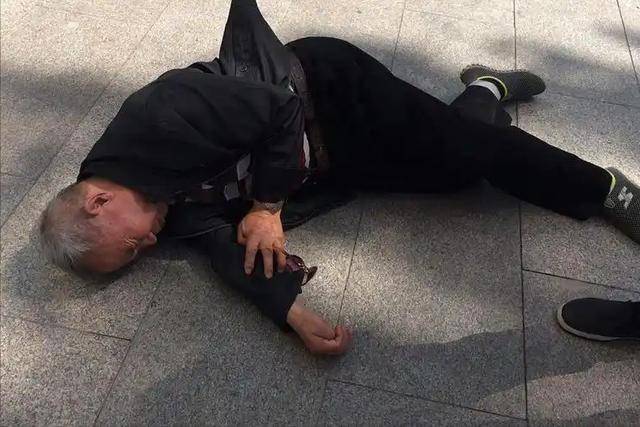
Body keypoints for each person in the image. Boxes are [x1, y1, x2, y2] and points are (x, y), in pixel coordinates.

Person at [39, 0, 639, 354]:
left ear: (98, 202)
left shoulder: (160, 113)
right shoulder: (151, 204)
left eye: (132, 243)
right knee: (454, 175)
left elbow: (278, 109)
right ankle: (485, 90)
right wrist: (290, 312)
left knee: (477, 151)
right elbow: (218, 247)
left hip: (332, 90)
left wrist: (266, 207)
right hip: (324, 161)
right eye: (139, 253)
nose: (150, 243)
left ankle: (606, 188)